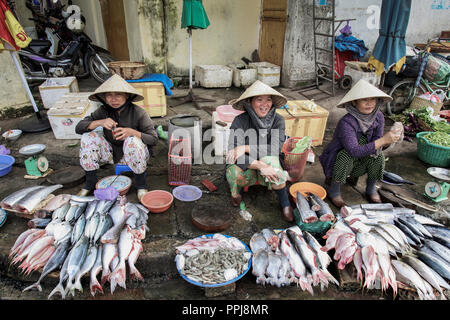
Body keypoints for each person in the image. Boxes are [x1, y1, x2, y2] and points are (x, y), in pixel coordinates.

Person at [319, 79, 402, 208]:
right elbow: (353, 151)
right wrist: (384, 140)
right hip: (339, 161)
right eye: (364, 100)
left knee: (378, 156)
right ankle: (334, 191)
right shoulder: (346, 122)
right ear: (354, 102)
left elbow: (378, 141)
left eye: (372, 99)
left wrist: (390, 139)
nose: (369, 103)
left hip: (362, 160)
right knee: (345, 155)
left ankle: (370, 189)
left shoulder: (379, 116)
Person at [75, 74, 158, 201]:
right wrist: (99, 122)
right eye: (109, 95)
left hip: (137, 154)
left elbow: (153, 139)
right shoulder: (103, 111)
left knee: (132, 141)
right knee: (88, 137)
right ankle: (90, 182)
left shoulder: (138, 113)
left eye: (118, 94)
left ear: (127, 96)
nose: (113, 99)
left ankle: (141, 184)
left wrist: (132, 132)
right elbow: (79, 128)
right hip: (111, 152)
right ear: (105, 98)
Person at [225, 80, 293, 222]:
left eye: (268, 100)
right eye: (259, 100)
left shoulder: (278, 120)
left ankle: (285, 203)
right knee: (233, 172)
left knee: (271, 160)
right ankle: (235, 194)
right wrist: (260, 165)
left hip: (269, 160)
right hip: (248, 164)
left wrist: (246, 147)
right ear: (249, 102)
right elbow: (234, 154)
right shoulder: (240, 121)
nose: (265, 104)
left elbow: (274, 149)